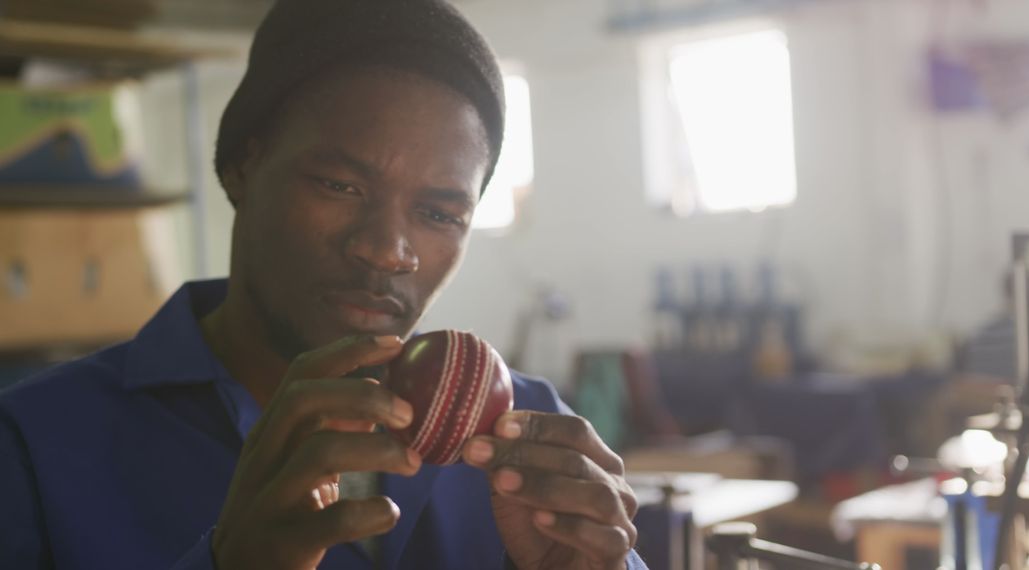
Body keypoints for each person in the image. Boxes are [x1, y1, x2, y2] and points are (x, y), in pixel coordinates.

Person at [0, 1, 645, 568]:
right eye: (340, 186)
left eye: (440, 214)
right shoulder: (34, 445)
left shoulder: (528, 441)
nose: (386, 250)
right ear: (244, 164)